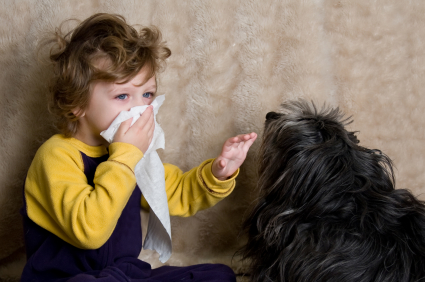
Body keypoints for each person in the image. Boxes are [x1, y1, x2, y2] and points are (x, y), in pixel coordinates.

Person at [20, 13, 257, 282]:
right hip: (66, 277)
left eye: (147, 94)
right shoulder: (57, 155)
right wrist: (125, 156)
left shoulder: (131, 152)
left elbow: (176, 192)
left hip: (123, 274)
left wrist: (218, 172)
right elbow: (89, 231)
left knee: (219, 275)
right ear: (77, 103)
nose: (140, 109)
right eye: (122, 96)